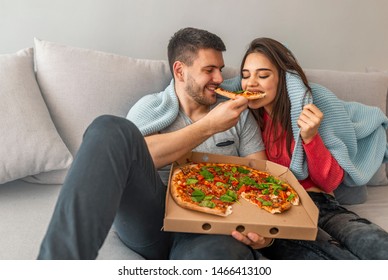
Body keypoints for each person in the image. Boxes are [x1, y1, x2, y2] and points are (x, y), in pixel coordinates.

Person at [37, 27, 272, 260]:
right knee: (109, 128)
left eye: (220, 69)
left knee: (219, 256)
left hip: (212, 229)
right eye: (209, 70)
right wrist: (209, 126)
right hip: (151, 221)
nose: (220, 79)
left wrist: (266, 236)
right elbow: (130, 161)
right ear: (180, 71)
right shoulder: (150, 107)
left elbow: (262, 178)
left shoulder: (238, 114)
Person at [224, 37, 388, 259]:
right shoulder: (247, 119)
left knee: (379, 248)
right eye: (245, 76)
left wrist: (311, 138)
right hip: (281, 211)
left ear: (283, 78)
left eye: (263, 75)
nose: (251, 83)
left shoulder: (310, 108)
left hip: (323, 204)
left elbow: (330, 182)